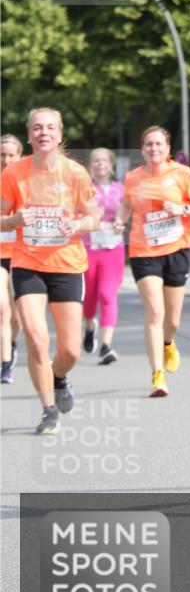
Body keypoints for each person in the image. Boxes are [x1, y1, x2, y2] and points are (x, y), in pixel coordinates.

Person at [0, 109, 98, 434]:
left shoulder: (75, 173)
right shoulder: (14, 173)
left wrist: (77, 223)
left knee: (69, 349)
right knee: (37, 340)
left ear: (59, 134)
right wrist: (12, 221)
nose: (43, 132)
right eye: (37, 128)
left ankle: (59, 378)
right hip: (27, 265)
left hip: (67, 265)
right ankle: (48, 409)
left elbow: (94, 217)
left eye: (50, 127)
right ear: (29, 136)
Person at [113, 125, 190, 397]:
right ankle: (157, 375)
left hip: (177, 248)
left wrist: (182, 208)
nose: (153, 149)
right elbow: (126, 204)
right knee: (154, 313)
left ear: (167, 149)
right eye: (148, 144)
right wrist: (120, 220)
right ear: (142, 149)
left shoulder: (182, 174)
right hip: (144, 251)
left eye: (158, 144)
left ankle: (169, 341)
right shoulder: (133, 177)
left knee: (173, 319)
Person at [82, 148, 125, 365]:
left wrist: (120, 222)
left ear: (111, 164)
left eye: (104, 160)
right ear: (91, 165)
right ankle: (90, 326)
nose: (100, 164)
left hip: (113, 247)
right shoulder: (84, 189)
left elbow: (127, 213)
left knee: (107, 294)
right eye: (96, 161)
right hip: (88, 247)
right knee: (89, 297)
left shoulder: (121, 189)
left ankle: (106, 345)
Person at [1, 134, 23, 383]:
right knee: (1, 309)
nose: (6, 160)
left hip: (22, 254)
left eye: (11, 155)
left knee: (17, 315)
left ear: (19, 156)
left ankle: (12, 344)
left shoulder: (27, 181)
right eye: (2, 155)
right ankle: (5, 363)